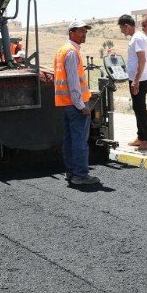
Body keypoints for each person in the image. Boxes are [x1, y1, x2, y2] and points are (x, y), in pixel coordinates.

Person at [53, 20, 100, 186]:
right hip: (75, 104)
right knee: (79, 141)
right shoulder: (72, 52)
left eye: (85, 31)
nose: (84, 34)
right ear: (71, 33)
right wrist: (81, 105)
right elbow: (73, 82)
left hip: (65, 104)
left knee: (70, 140)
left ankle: (71, 172)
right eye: (80, 31)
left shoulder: (61, 51)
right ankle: (80, 174)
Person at [118, 14, 147, 150]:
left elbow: (142, 60)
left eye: (122, 28)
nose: (122, 31)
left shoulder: (137, 38)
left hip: (140, 80)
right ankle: (141, 137)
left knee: (140, 109)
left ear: (127, 26)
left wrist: (136, 80)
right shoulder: (138, 37)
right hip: (139, 79)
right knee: (137, 108)